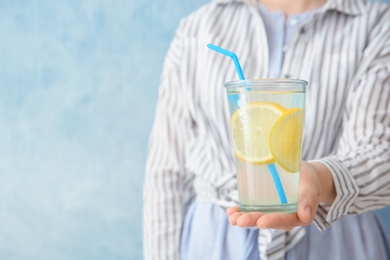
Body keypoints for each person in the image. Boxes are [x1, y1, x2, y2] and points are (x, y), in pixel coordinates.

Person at [143, 0, 390, 259]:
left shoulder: (376, 23)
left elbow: (381, 154)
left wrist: (320, 177)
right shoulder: (197, 28)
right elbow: (166, 171)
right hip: (216, 243)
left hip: (335, 244)